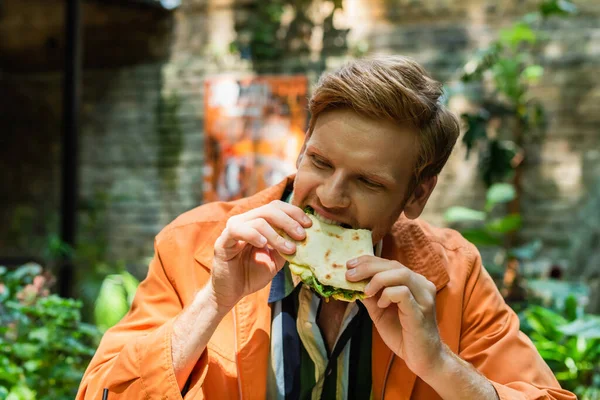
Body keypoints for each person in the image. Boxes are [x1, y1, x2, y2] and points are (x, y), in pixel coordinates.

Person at [77, 56, 575, 400]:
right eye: (319, 162)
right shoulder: (196, 244)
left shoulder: (454, 274)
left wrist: (441, 365)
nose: (331, 197)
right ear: (303, 145)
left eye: (368, 182)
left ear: (418, 194)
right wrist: (213, 300)